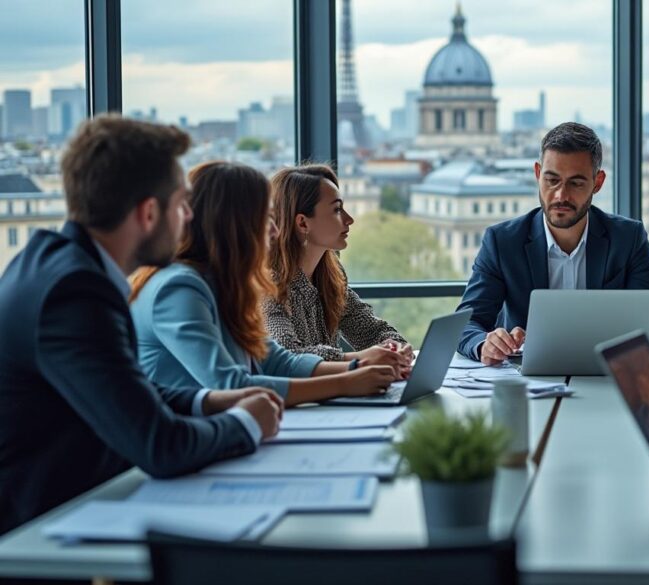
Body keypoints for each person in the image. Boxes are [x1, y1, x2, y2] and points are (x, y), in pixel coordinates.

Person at [0, 116, 282, 534]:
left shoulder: (59, 266)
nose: (189, 218)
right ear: (149, 213)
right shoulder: (75, 293)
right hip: (40, 539)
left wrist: (208, 401)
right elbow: (161, 447)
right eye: (182, 204)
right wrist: (247, 422)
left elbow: (124, 388)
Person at [130, 161, 399, 407]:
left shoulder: (223, 286)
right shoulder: (178, 289)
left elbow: (277, 362)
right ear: (233, 225)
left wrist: (356, 367)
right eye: (265, 218)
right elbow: (230, 386)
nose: (275, 230)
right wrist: (345, 382)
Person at [456, 122, 649, 364]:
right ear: (538, 174)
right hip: (525, 384)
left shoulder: (628, 238)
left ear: (597, 183)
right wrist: (485, 343)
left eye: (576, 183)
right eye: (552, 180)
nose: (561, 195)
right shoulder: (502, 241)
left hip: (606, 378)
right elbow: (467, 325)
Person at [262, 164, 412, 374]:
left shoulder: (330, 277)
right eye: (337, 209)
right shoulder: (268, 285)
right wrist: (357, 359)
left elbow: (371, 330)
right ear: (303, 223)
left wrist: (395, 349)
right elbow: (286, 356)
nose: (349, 219)